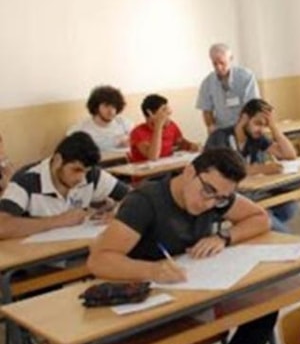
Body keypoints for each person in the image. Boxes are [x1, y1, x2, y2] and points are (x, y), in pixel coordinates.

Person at [87, 148, 275, 344]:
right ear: (189, 172)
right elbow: (99, 260)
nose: (210, 203)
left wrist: (223, 237)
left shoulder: (216, 197)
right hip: (149, 302)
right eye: (208, 191)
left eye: (221, 198)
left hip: (191, 294)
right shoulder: (144, 202)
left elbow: (260, 218)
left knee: (263, 308)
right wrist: (152, 270)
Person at [0, 132, 130, 239]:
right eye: (76, 170)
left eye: (86, 171)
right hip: (38, 257)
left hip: (78, 248)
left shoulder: (92, 175)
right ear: (57, 160)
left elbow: (135, 197)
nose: (81, 178)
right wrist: (58, 221)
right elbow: (2, 226)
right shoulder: (26, 180)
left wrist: (117, 212)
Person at [205, 99, 299, 232]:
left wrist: (273, 127)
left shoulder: (255, 137)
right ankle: (259, 221)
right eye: (258, 123)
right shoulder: (219, 137)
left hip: (252, 192)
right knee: (279, 228)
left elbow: (290, 155)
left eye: (265, 125)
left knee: (289, 206)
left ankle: (257, 224)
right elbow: (226, 171)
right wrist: (263, 169)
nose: (261, 129)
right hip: (228, 197)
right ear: (244, 118)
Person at [197, 43, 259, 133]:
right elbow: (206, 111)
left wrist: (241, 128)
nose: (219, 67)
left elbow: (253, 106)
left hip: (245, 127)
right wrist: (211, 127)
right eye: (215, 64)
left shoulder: (246, 76)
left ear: (230, 59)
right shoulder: (207, 82)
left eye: (222, 63)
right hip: (221, 129)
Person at [129, 94, 200, 162]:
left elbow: (181, 143)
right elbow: (153, 157)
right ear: (150, 114)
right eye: (164, 110)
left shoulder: (171, 126)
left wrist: (191, 146)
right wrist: (158, 125)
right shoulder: (137, 132)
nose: (169, 113)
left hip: (169, 167)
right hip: (148, 170)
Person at [68, 85, 134, 151]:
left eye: (114, 106)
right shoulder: (82, 127)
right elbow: (68, 147)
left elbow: (137, 139)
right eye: (106, 106)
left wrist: (130, 142)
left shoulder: (123, 122)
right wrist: (117, 141)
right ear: (96, 107)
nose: (111, 111)